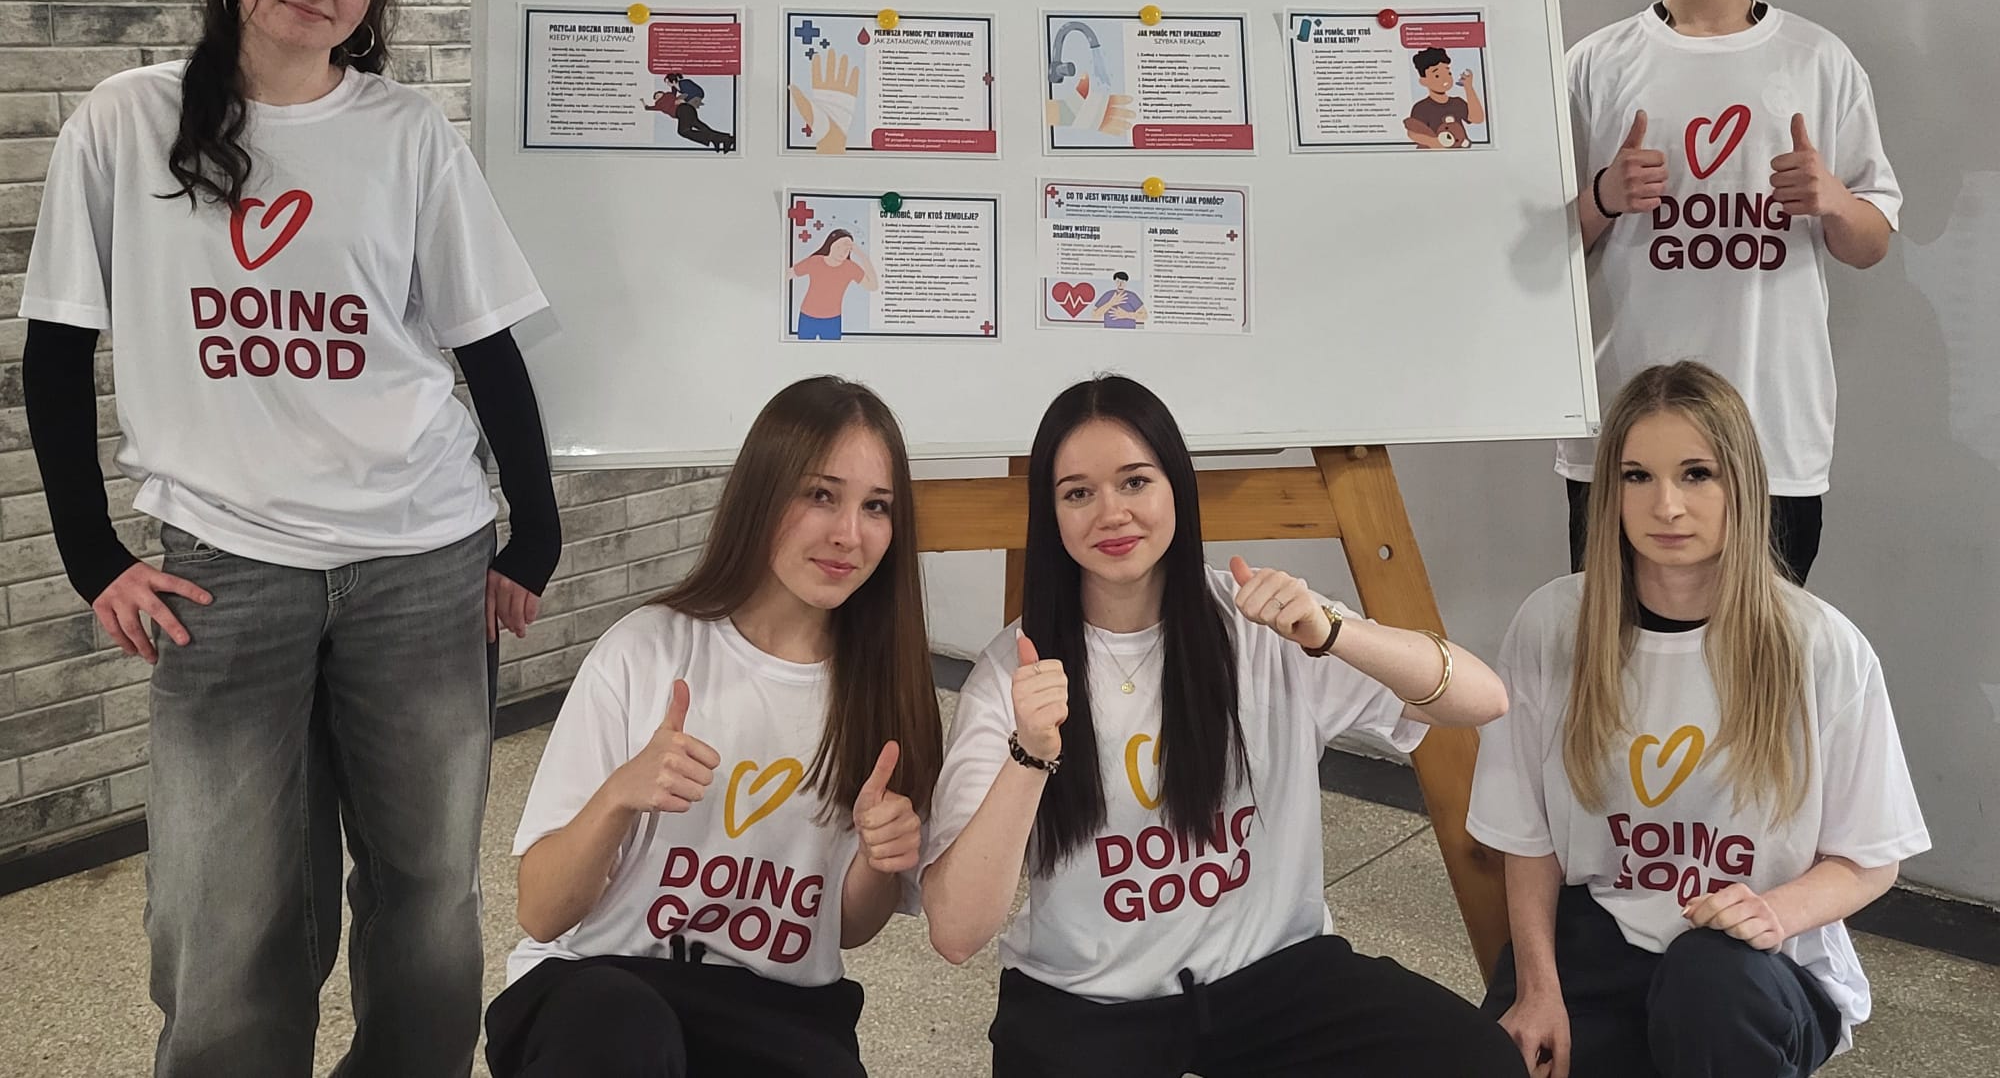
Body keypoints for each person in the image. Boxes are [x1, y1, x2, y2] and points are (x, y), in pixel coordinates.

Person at [20, 0, 561, 1077]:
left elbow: (483, 343)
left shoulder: (405, 134)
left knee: (425, 891)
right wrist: (92, 556)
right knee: (221, 910)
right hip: (224, 569)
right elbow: (55, 349)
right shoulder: (125, 121)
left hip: (424, 559)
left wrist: (533, 531)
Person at [920, 374, 1521, 1077]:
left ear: (1177, 486)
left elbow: (1483, 699)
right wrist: (1030, 755)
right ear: (1050, 514)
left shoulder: (1259, 623)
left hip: (1275, 978)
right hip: (1090, 1002)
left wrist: (1334, 632)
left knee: (1478, 1062)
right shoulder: (1014, 671)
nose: (1112, 513)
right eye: (1078, 493)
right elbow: (956, 932)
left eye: (1135, 482)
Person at [1472, 361, 1929, 1078]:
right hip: (1603, 934)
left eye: (1696, 474)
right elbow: (1527, 839)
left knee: (1707, 984)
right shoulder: (1553, 624)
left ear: (1740, 484)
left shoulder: (1820, 645)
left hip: (1758, 964)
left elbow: (1870, 858)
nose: (1667, 506)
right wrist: (1537, 989)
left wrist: (1773, 913)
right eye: (1637, 476)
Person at [484, 376, 944, 1078]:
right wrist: (619, 795)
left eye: (876, 506)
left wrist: (881, 863)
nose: (849, 534)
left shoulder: (890, 689)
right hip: (604, 980)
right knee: (621, 1026)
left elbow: (847, 929)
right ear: (763, 494)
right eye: (821, 495)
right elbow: (541, 912)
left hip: (777, 1008)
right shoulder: (646, 649)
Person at [1562, 0, 1900, 582]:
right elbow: (1531, 254)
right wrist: (1605, 196)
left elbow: (1872, 242)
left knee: (1761, 651)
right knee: (1615, 648)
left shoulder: (1819, 62)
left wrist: (1832, 200)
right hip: (1623, 434)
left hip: (1770, 435)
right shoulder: (1594, 66)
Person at [789, 230, 878, 341]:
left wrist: (861, 255)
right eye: (839, 247)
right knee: (802, 349)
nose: (842, 252)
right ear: (830, 244)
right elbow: (787, 275)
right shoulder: (815, 261)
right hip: (807, 316)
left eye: (846, 249)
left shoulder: (850, 268)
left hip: (832, 320)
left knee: (833, 350)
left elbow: (873, 286)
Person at [1404, 45, 1484, 149]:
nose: (1445, 78)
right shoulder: (1421, 107)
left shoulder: (1457, 103)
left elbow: (1477, 118)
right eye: (1437, 75)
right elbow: (1413, 133)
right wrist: (1435, 143)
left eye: (1448, 73)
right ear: (1423, 81)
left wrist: (1468, 87)